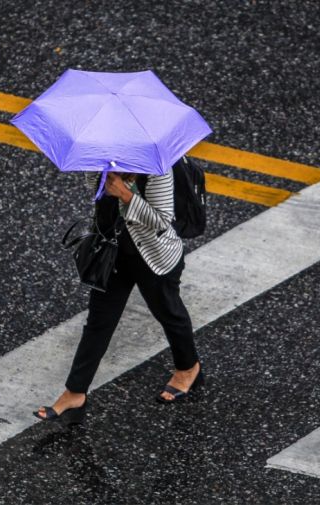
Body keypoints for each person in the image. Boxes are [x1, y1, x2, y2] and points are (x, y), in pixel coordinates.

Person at [33, 158, 203, 425]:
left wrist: (125, 194)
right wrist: (101, 172)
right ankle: (75, 392)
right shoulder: (104, 158)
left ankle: (189, 367)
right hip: (114, 253)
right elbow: (95, 191)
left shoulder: (158, 167)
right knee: (98, 323)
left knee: (168, 312)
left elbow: (162, 220)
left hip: (154, 257)